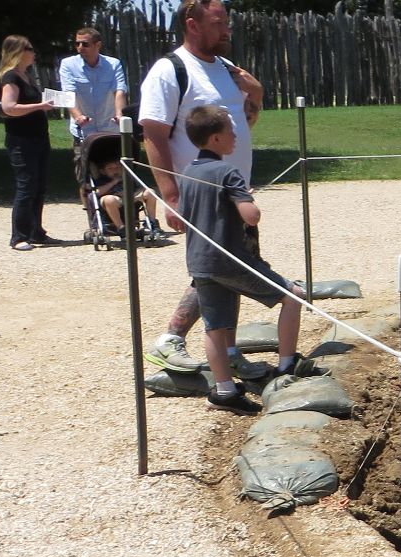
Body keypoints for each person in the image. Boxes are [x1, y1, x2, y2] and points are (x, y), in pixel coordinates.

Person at [139, 0, 265, 372]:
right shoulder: (170, 71)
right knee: (217, 269)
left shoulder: (227, 70)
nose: (227, 29)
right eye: (218, 22)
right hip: (200, 191)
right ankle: (171, 339)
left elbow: (240, 126)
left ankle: (227, 352)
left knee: (231, 267)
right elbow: (153, 134)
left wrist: (254, 95)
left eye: (226, 21)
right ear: (193, 25)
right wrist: (171, 195)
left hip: (233, 190)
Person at [179, 105, 305, 414]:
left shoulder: (187, 172)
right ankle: (287, 365)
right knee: (294, 296)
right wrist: (248, 200)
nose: (237, 136)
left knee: (214, 327)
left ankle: (224, 391)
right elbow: (252, 216)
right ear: (216, 139)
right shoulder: (227, 172)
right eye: (231, 131)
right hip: (231, 260)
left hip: (200, 262)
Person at [0, 35, 59, 251]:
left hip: (39, 137)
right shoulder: (10, 77)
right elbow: (9, 107)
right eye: (30, 48)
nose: (34, 52)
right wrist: (39, 106)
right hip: (21, 139)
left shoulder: (27, 76)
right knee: (26, 186)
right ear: (18, 52)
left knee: (39, 186)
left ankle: (36, 232)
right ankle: (18, 237)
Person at [59, 26, 126, 142]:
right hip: (83, 128)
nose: (80, 47)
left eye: (85, 44)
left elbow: (119, 91)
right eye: (77, 44)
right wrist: (78, 116)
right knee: (84, 160)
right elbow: (68, 93)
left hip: (109, 127)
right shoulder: (68, 65)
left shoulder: (113, 64)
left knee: (113, 160)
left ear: (98, 45)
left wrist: (119, 114)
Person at [88, 158, 160, 236]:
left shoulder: (128, 177)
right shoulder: (102, 179)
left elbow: (142, 188)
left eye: (117, 168)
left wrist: (131, 194)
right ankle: (121, 228)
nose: (114, 170)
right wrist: (114, 182)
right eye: (110, 168)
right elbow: (97, 193)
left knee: (150, 192)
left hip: (130, 198)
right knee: (109, 199)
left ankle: (151, 223)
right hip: (112, 201)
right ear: (103, 171)